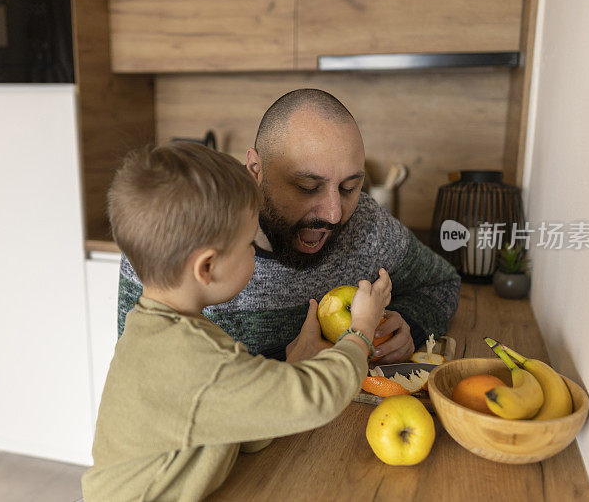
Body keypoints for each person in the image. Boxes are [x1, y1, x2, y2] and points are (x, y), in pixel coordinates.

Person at [82, 142, 391, 501]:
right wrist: (360, 332)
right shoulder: (195, 360)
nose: (254, 253)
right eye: (247, 244)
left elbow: (232, 417)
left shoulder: (154, 326)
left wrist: (292, 366)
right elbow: (316, 399)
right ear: (207, 268)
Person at [117, 89, 461, 365]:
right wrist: (294, 372)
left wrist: (409, 328)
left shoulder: (367, 225)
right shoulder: (172, 233)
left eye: (349, 187)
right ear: (255, 168)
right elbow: (150, 393)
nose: (334, 214)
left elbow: (441, 283)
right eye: (307, 187)